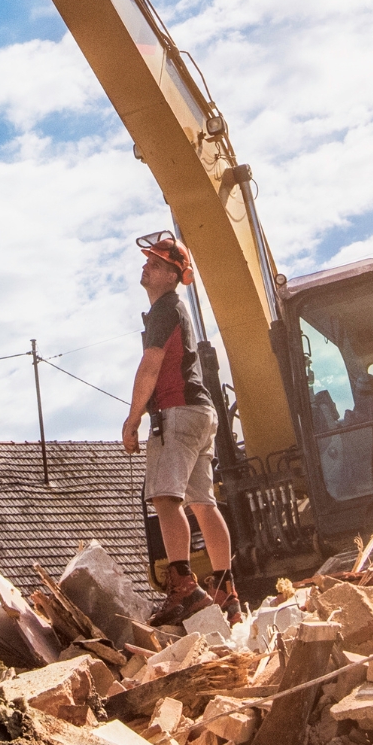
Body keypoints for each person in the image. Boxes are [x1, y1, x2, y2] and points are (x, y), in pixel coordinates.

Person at [121, 231, 243, 626]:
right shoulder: (176, 309)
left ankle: (183, 586)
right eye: (147, 261)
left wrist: (133, 417)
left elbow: (151, 365)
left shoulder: (163, 311)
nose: (146, 266)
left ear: (172, 275)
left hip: (177, 411)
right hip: (202, 413)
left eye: (154, 263)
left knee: (164, 498)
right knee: (203, 503)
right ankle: (226, 589)